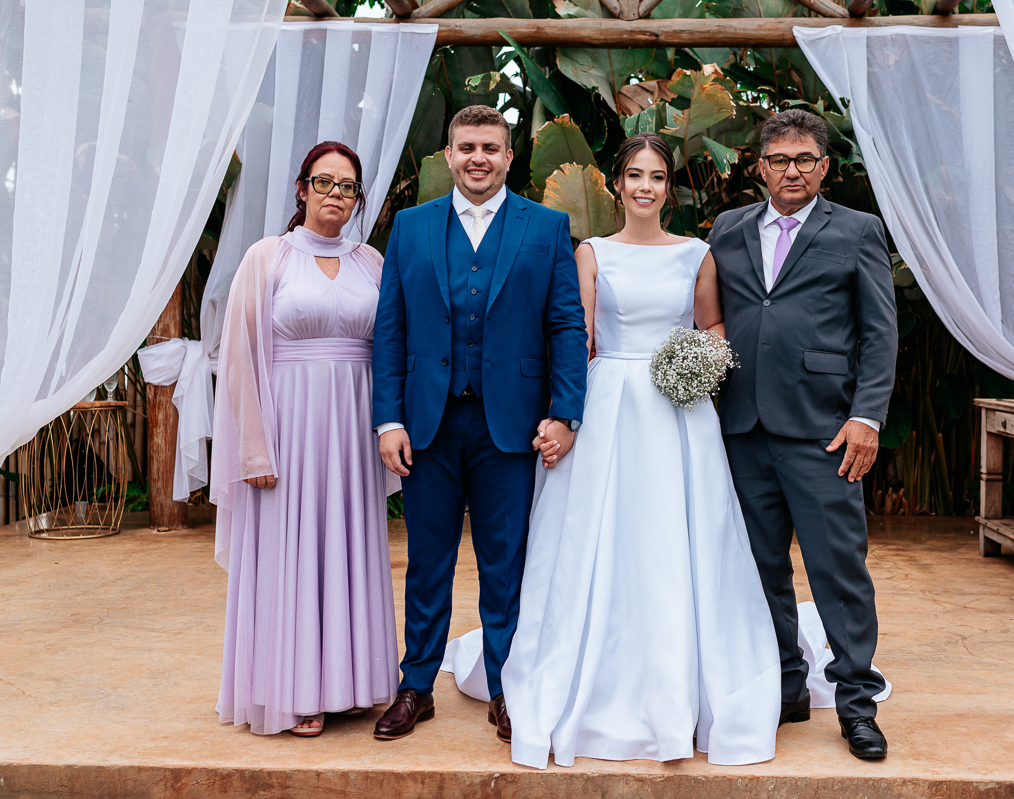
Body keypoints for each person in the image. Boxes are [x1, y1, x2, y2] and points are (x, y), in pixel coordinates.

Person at [492, 133, 783, 768]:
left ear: (667, 188)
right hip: (610, 403)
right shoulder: (591, 252)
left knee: (678, 538)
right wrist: (563, 415)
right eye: (634, 176)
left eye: (656, 176)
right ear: (617, 184)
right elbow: (581, 334)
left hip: (680, 413)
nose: (645, 187)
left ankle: (689, 684)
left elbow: (711, 328)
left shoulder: (696, 254)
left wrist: (698, 365)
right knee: (604, 535)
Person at [371, 105, 589, 743]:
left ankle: (506, 688)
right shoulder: (410, 229)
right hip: (427, 423)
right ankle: (417, 687)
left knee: (505, 563)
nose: (478, 159)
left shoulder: (546, 227)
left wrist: (565, 411)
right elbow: (391, 332)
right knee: (427, 562)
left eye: (490, 148)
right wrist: (388, 419)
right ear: (448, 154)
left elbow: (566, 326)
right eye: (466, 146)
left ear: (509, 156)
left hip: (512, 427)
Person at [707, 109, 898, 759]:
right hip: (741, 426)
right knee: (759, 569)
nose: (793, 170)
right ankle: (786, 684)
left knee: (837, 568)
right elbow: (712, 319)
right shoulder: (727, 230)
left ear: (824, 166)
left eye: (805, 159)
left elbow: (878, 334)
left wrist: (866, 416)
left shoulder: (858, 231)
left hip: (826, 430)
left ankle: (856, 701)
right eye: (780, 160)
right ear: (760, 167)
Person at [211, 141, 400, 737]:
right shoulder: (268, 258)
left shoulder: (372, 261)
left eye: (347, 187)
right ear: (302, 188)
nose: (335, 195)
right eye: (324, 183)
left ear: (358, 198)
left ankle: (349, 684)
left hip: (351, 429)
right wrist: (253, 447)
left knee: (345, 546)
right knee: (291, 553)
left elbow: (390, 348)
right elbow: (239, 358)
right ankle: (294, 691)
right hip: (287, 427)